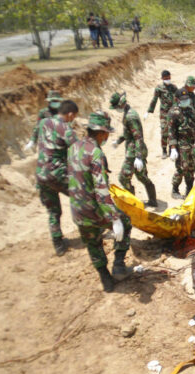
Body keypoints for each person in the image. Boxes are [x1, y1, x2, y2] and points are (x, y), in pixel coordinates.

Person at [68, 111, 132, 293]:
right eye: (107, 134)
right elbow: (101, 189)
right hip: (93, 210)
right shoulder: (96, 153)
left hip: (77, 211)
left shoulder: (73, 147)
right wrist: (114, 219)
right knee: (125, 222)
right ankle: (119, 266)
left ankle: (105, 278)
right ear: (102, 133)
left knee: (92, 242)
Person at [35, 100, 79, 256]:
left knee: (53, 211)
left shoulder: (44, 122)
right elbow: (78, 151)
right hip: (57, 174)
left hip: (41, 174)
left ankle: (58, 245)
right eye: (73, 117)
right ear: (70, 114)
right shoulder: (66, 129)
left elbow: (36, 137)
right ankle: (92, 232)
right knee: (81, 197)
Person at [109, 91, 157, 207]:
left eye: (116, 107)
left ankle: (132, 203)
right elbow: (129, 133)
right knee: (142, 176)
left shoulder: (131, 117)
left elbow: (138, 136)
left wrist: (139, 157)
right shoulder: (128, 113)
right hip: (134, 150)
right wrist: (118, 141)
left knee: (123, 177)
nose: (116, 109)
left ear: (120, 104)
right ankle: (152, 200)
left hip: (134, 152)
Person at [167, 89, 195, 199]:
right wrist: (173, 148)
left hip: (193, 143)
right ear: (177, 100)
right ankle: (175, 189)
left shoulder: (191, 109)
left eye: (187, 99)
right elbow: (171, 131)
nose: (186, 101)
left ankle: (189, 189)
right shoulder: (173, 112)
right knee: (182, 168)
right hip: (181, 145)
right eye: (183, 100)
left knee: (192, 167)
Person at [145, 70, 178, 158]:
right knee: (164, 131)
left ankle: (172, 149)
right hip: (164, 113)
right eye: (166, 78)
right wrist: (149, 111)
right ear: (162, 78)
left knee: (173, 131)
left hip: (173, 112)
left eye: (169, 77)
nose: (168, 79)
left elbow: (178, 99)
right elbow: (154, 100)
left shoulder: (174, 87)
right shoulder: (159, 88)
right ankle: (164, 150)